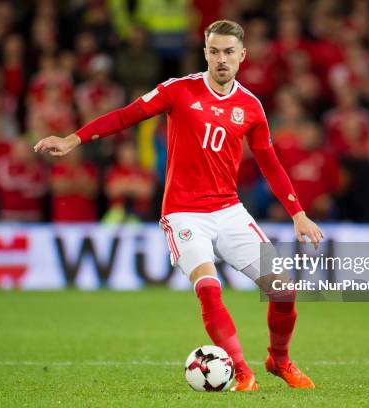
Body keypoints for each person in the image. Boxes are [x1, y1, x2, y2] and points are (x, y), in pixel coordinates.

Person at [35, 20, 323, 391]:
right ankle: (239, 370)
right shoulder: (179, 90)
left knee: (283, 289)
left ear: (242, 56)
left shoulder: (250, 106)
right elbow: (126, 115)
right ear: (206, 53)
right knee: (209, 287)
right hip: (184, 212)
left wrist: (297, 214)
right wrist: (74, 139)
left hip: (229, 210)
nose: (222, 59)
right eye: (215, 51)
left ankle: (279, 361)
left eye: (229, 52)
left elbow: (269, 161)